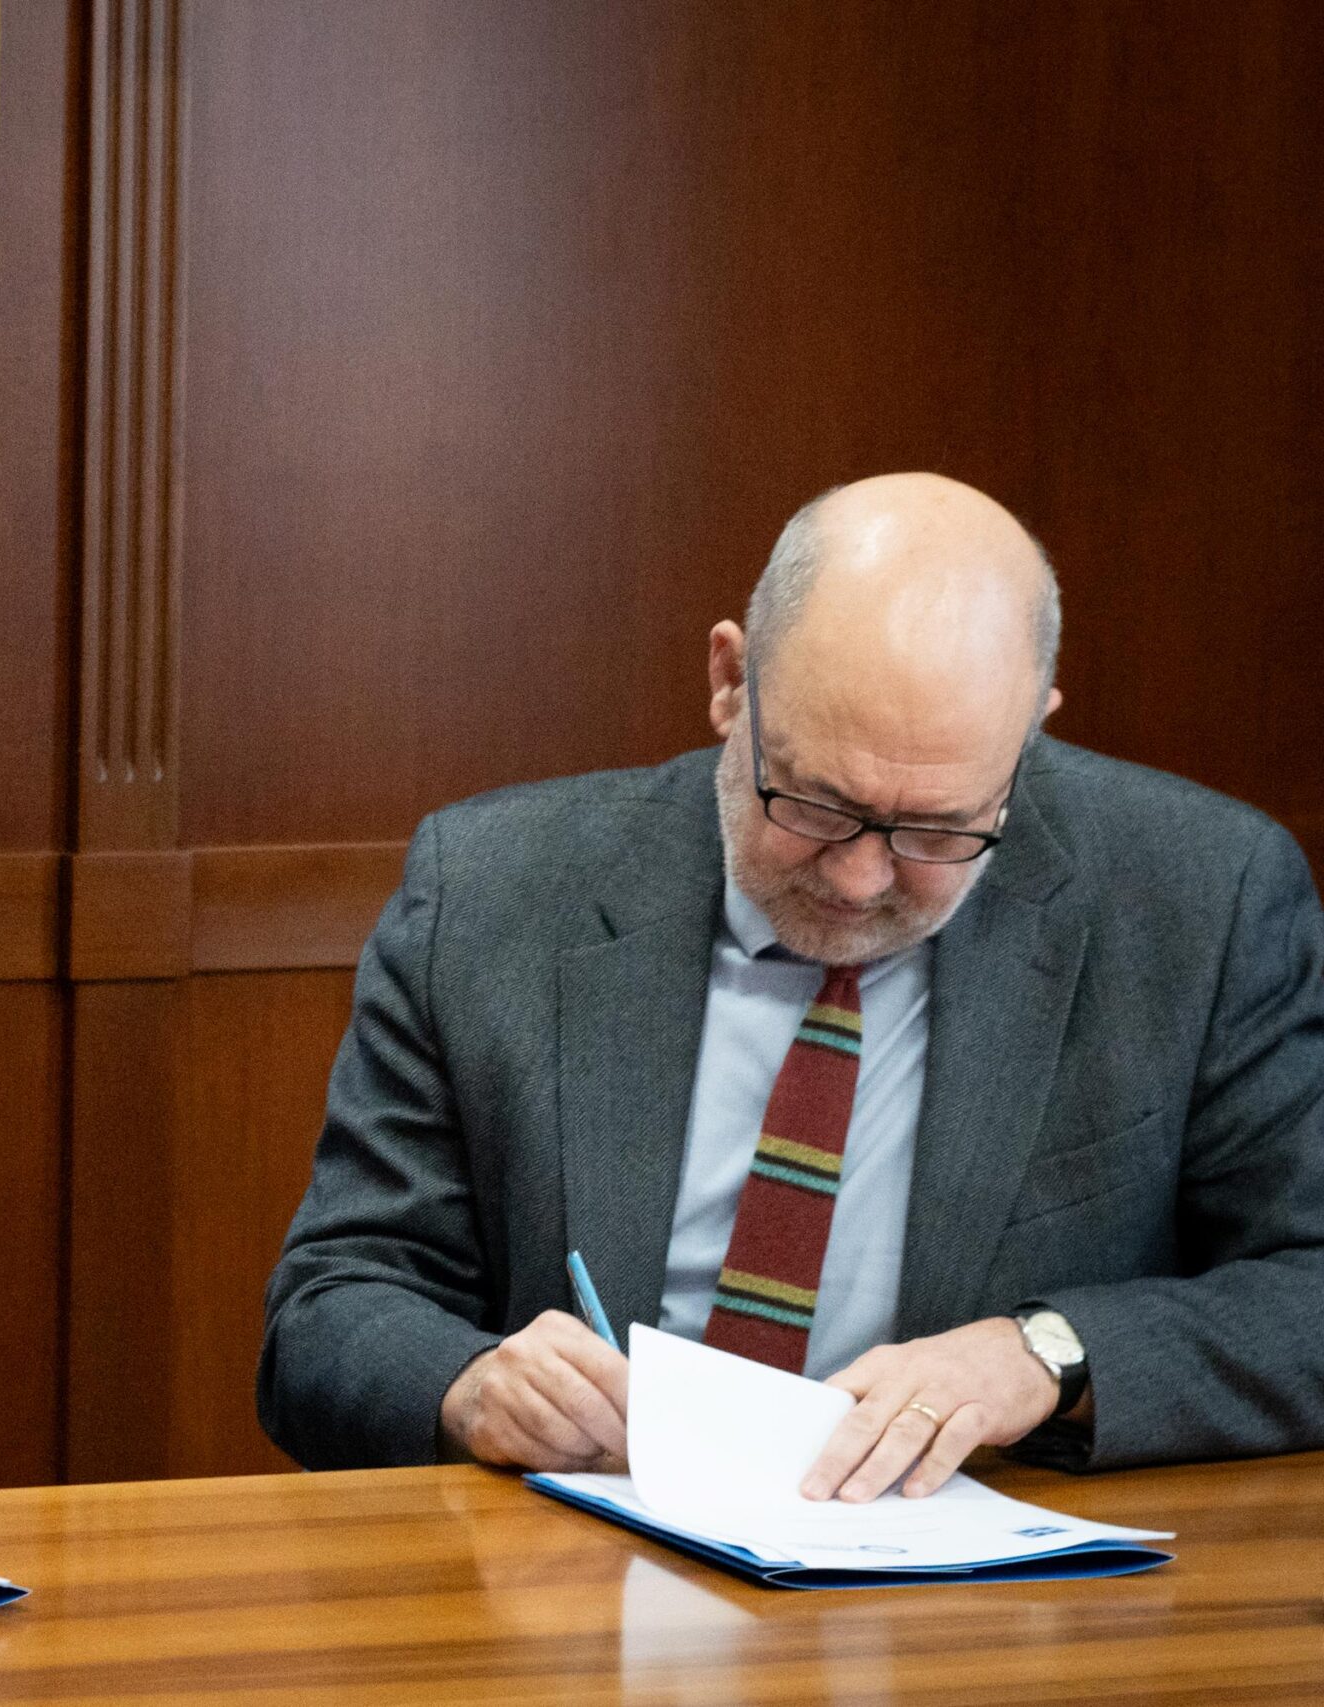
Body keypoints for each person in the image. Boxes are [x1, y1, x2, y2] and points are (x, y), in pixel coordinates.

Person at [259, 472, 1324, 1501]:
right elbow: (329, 1310)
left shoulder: (1203, 902)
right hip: (579, 1583)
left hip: (976, 1604)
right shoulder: (494, 893)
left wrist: (1045, 1355)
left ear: (1030, 732)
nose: (861, 880)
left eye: (938, 830)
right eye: (814, 803)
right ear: (731, 680)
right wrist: (467, 1388)